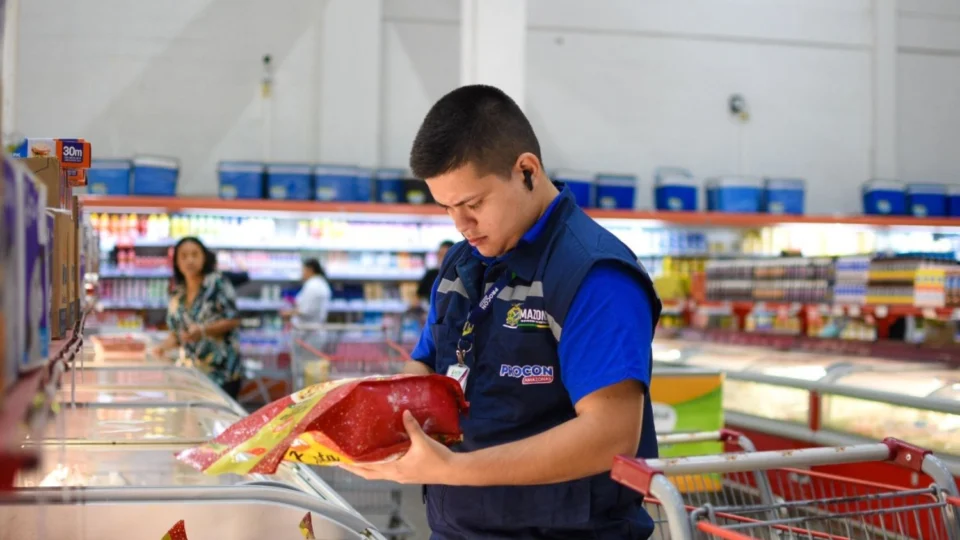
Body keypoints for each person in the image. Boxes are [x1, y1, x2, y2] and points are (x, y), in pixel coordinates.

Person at [341, 84, 662, 539]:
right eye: (447, 207)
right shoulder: (461, 263)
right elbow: (430, 363)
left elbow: (610, 437)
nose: (461, 224)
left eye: (473, 203)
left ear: (526, 170)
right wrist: (387, 417)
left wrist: (454, 469)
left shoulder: (594, 276)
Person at [152, 237, 244, 399]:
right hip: (190, 374)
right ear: (176, 262)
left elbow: (234, 319)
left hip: (222, 372)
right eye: (184, 256)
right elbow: (177, 333)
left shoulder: (217, 283)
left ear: (204, 258)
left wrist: (203, 330)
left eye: (195, 255)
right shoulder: (177, 294)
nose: (190, 260)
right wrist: (162, 348)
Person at [281, 258, 332, 353]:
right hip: (312, 331)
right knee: (310, 364)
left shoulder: (313, 285)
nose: (302, 273)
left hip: (307, 334)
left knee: (305, 364)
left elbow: (305, 310)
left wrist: (287, 313)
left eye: (303, 270)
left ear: (310, 270)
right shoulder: (321, 284)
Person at [417, 240, 455, 304]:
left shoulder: (460, 275)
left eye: (445, 255)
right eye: (440, 254)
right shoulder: (431, 274)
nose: (441, 258)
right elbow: (420, 295)